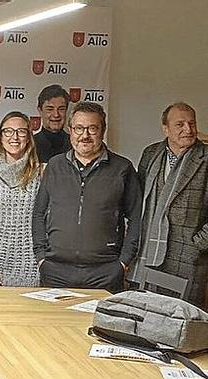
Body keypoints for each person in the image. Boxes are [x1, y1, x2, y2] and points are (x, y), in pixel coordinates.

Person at [130, 103, 208, 307]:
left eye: (192, 123)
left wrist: (197, 245)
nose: (188, 129)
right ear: (165, 128)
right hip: (146, 255)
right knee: (142, 318)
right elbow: (138, 202)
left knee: (179, 322)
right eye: (180, 124)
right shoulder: (150, 154)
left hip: (187, 260)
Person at [32, 102, 142, 292]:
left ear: (103, 130)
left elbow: (136, 219)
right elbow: (38, 214)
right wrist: (42, 258)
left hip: (105, 272)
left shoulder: (122, 168)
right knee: (56, 322)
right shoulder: (55, 166)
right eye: (79, 128)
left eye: (92, 128)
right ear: (71, 130)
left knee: (101, 323)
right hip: (56, 271)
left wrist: (123, 263)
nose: (85, 135)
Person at [0, 111, 42, 287]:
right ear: (0, 136)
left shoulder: (41, 173)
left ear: (28, 137)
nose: (15, 137)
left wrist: (42, 260)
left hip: (31, 263)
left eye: (21, 132)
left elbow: (45, 220)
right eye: (8, 131)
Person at [33, 85, 71, 164]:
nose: (56, 114)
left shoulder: (75, 144)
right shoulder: (30, 144)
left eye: (61, 109)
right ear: (40, 111)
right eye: (50, 109)